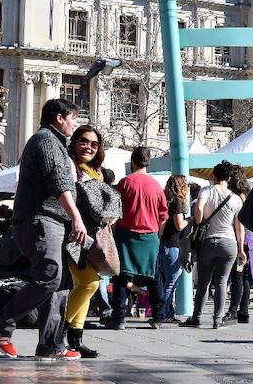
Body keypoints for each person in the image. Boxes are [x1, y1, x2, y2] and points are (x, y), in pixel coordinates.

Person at [0, 99, 87, 361]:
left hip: (52, 222)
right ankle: (2, 322)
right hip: (41, 221)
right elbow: (58, 182)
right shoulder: (46, 141)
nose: (75, 124)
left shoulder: (56, 144)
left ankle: (51, 346)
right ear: (59, 118)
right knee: (51, 276)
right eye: (72, 118)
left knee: (60, 285)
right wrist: (76, 217)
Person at [64, 125, 121, 357]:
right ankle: (60, 328)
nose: (89, 147)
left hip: (92, 238)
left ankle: (75, 339)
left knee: (86, 284)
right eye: (84, 141)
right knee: (89, 283)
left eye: (94, 144)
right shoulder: (71, 167)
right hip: (74, 235)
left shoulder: (95, 171)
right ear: (75, 142)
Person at [179, 161, 246, 329]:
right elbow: (239, 226)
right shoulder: (236, 199)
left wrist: (199, 219)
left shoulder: (206, 191)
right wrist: (241, 249)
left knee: (204, 282)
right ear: (229, 178)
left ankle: (196, 317)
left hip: (208, 242)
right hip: (229, 243)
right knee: (222, 281)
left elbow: (199, 212)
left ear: (213, 176)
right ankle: (217, 319)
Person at [108, 146, 168, 330]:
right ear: (148, 162)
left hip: (126, 235)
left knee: (120, 277)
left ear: (133, 161)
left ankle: (119, 318)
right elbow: (163, 216)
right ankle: (158, 317)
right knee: (153, 277)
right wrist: (157, 236)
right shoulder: (157, 186)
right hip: (150, 237)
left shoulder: (125, 183)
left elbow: (115, 212)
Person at [148, 174, 189, 327]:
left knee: (166, 280)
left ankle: (168, 313)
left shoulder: (165, 199)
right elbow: (179, 225)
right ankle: (160, 312)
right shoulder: (177, 202)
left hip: (163, 244)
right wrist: (190, 221)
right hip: (173, 244)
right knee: (172, 281)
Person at [224, 165, 253, 324]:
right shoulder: (247, 194)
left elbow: (239, 223)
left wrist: (239, 245)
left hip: (240, 239)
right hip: (248, 239)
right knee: (243, 277)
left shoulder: (237, 197)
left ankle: (233, 310)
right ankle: (244, 311)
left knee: (237, 276)